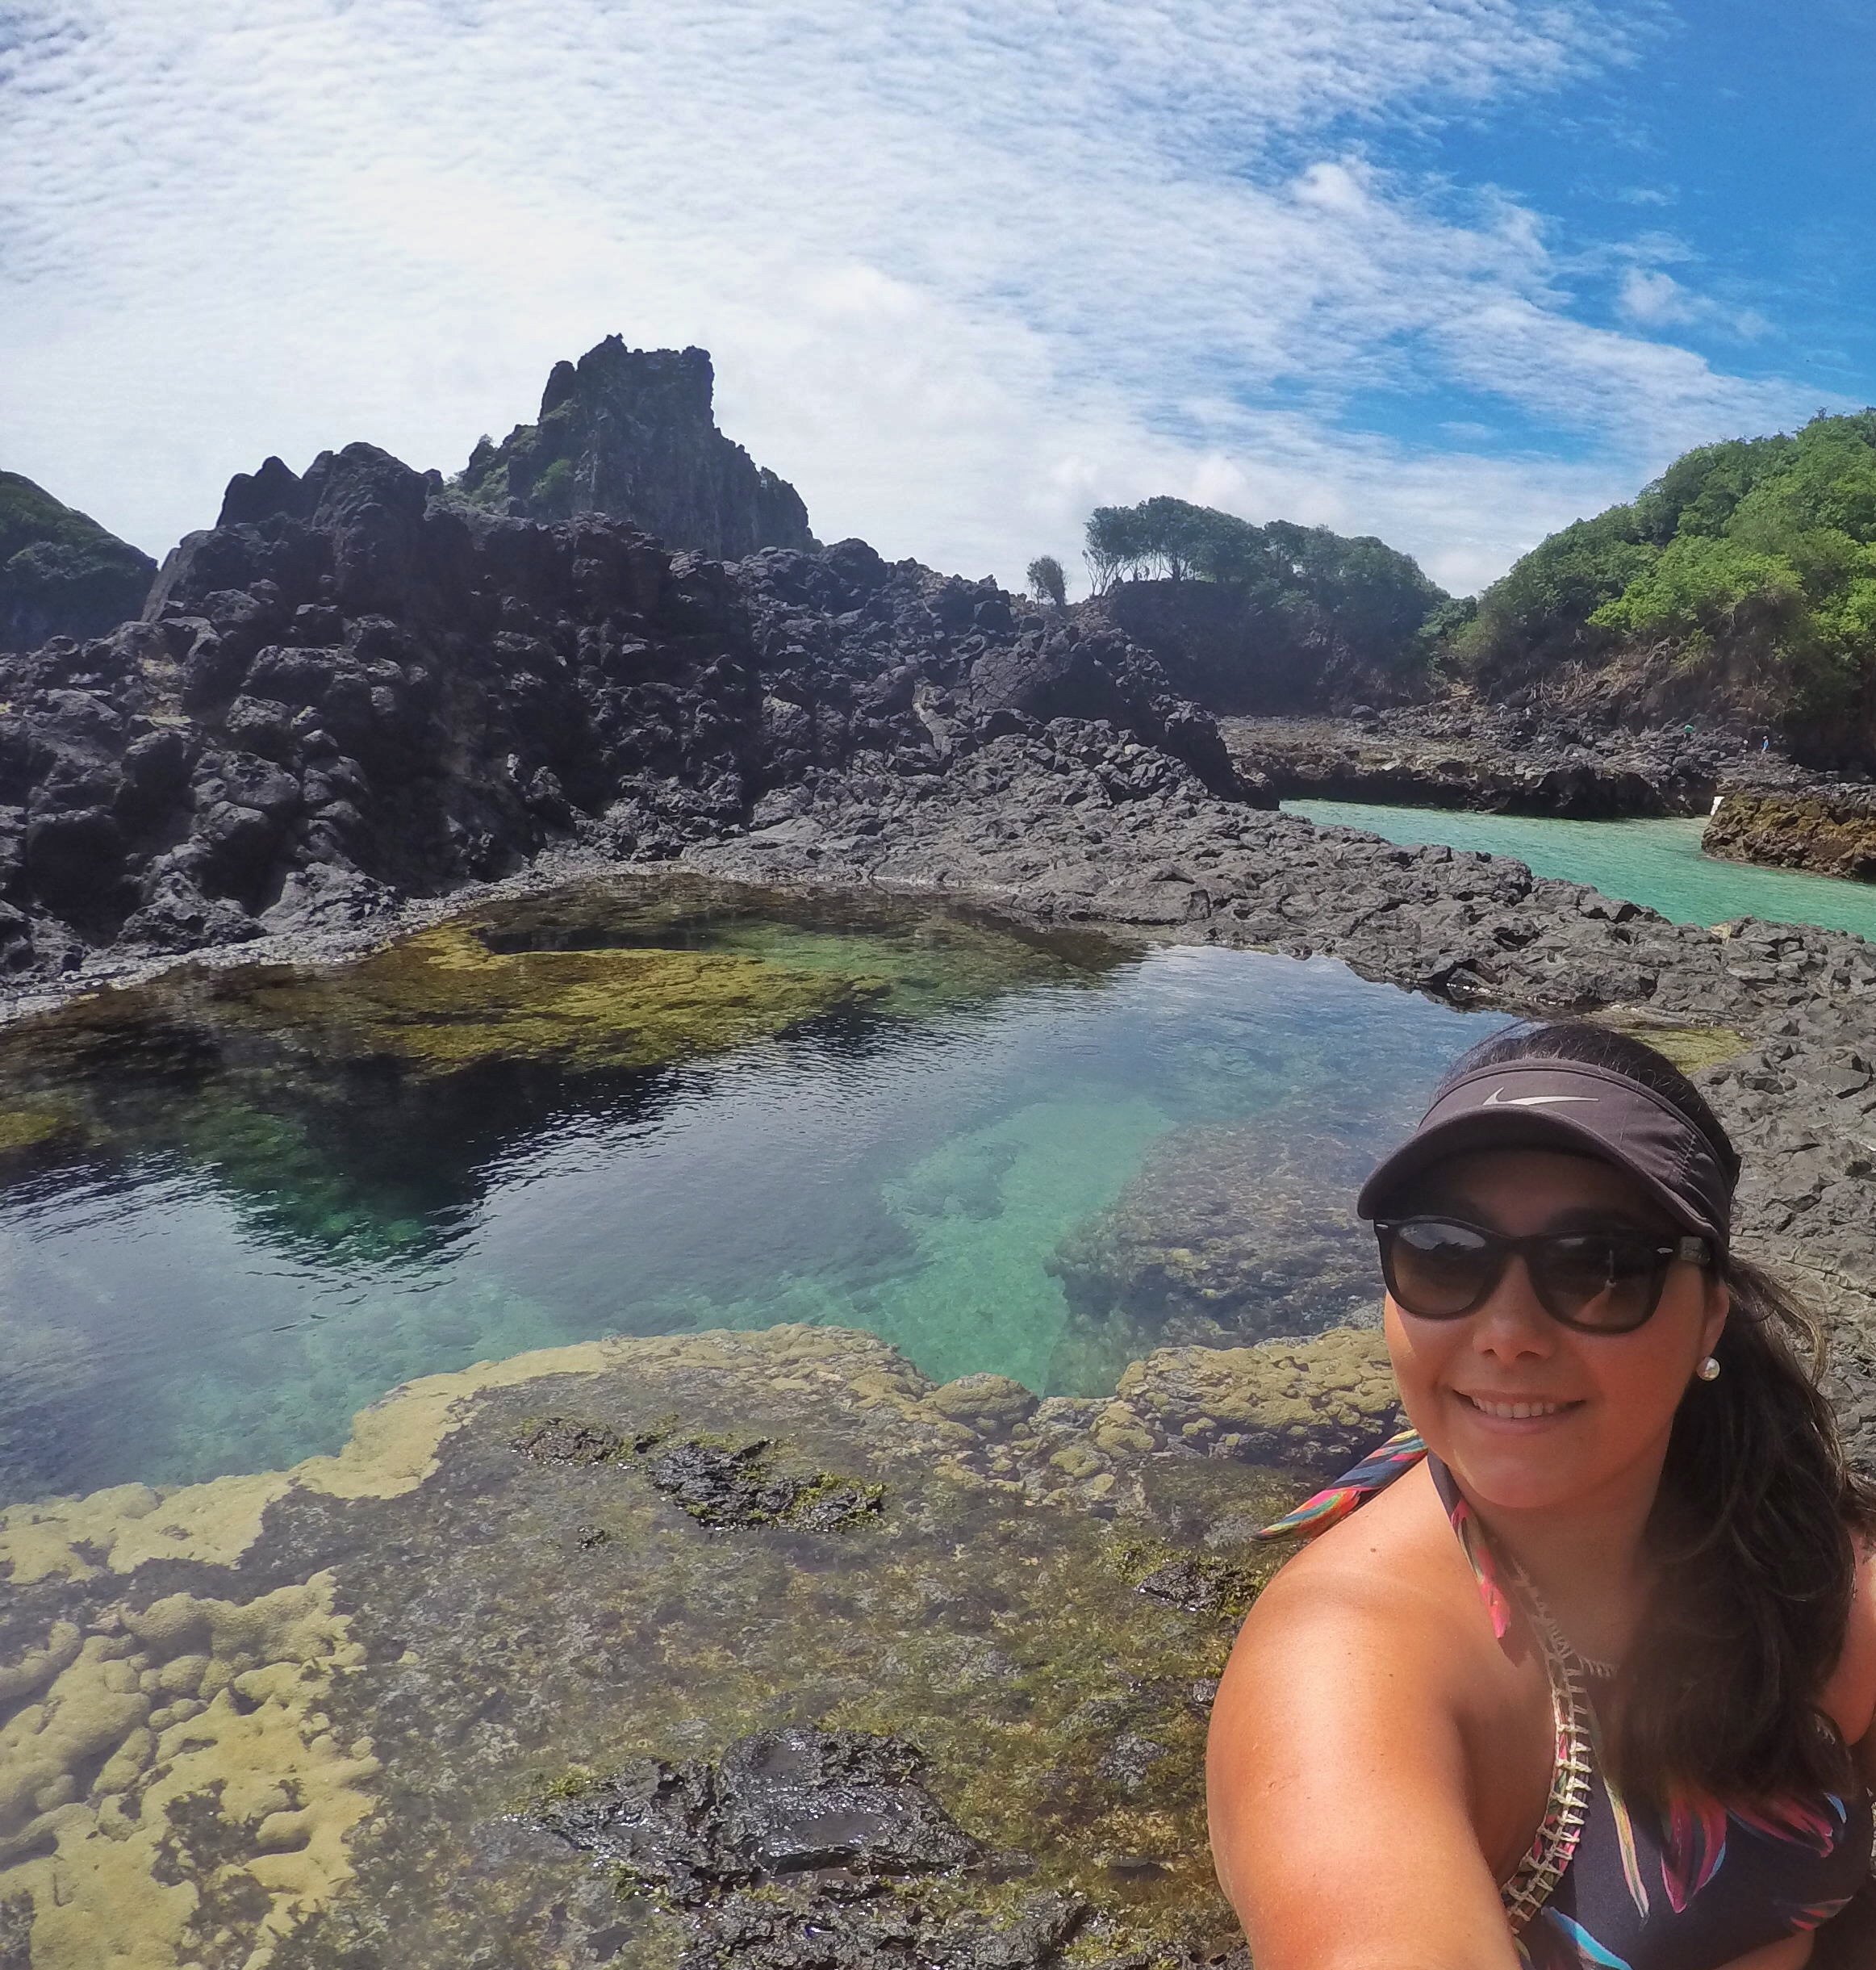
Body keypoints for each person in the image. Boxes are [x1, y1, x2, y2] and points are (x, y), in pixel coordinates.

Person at [1206, 1020, 1876, 1969]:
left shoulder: (1795, 1541)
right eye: (1445, 1252)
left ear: (1709, 1316)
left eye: (1602, 1267)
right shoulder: (1345, 1666)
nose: (1509, 1330)